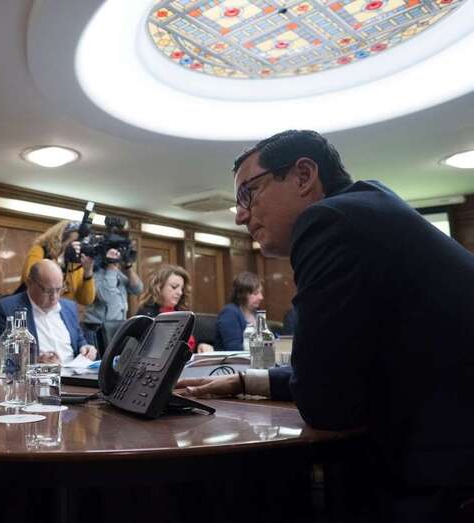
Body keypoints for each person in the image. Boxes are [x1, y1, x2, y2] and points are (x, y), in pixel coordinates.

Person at [177, 129, 474, 521]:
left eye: (248, 193)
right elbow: (355, 369)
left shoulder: (328, 221)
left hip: (444, 478)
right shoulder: (368, 206)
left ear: (303, 175)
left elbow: (327, 403)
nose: (241, 214)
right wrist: (246, 381)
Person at [0, 259, 97, 364]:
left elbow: (79, 340)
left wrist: (85, 348)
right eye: (48, 291)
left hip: (74, 375)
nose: (55, 297)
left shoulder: (69, 307)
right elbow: (3, 356)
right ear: (29, 283)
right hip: (37, 377)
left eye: (59, 289)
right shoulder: (7, 309)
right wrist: (36, 362)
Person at [21, 220, 96, 305]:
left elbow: (86, 300)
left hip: (58, 311)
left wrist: (88, 272)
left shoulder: (75, 263)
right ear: (60, 240)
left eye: (80, 245)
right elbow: (29, 280)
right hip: (33, 307)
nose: (77, 248)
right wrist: (61, 259)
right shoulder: (40, 251)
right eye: (73, 243)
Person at [82, 247, 143, 341]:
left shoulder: (117, 273)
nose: (117, 255)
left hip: (116, 327)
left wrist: (128, 267)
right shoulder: (95, 273)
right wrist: (111, 267)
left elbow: (137, 289)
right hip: (97, 330)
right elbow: (107, 297)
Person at [136, 265, 197, 351]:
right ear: (159, 287)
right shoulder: (145, 316)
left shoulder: (183, 313)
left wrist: (201, 345)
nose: (179, 292)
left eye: (182, 289)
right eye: (174, 287)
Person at [212, 271, 263, 351]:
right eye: (255, 293)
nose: (261, 297)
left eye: (260, 293)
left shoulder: (257, 313)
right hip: (231, 362)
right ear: (242, 293)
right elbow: (233, 348)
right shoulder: (229, 313)